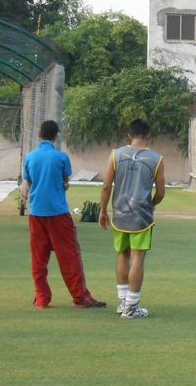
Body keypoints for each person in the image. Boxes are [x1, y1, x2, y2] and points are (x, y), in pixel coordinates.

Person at [22, 120, 106, 309]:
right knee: (69, 256)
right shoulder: (61, 157)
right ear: (56, 137)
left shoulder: (30, 157)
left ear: (38, 135)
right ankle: (80, 298)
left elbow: (29, 183)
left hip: (36, 213)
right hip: (58, 213)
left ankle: (42, 298)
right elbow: (65, 182)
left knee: (38, 258)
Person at [99, 119, 165, 319]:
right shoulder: (157, 159)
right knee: (138, 258)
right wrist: (151, 204)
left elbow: (106, 186)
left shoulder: (115, 154)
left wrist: (103, 211)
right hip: (142, 217)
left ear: (129, 136)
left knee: (123, 255)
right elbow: (161, 193)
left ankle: (122, 303)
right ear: (148, 136)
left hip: (119, 214)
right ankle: (131, 308)